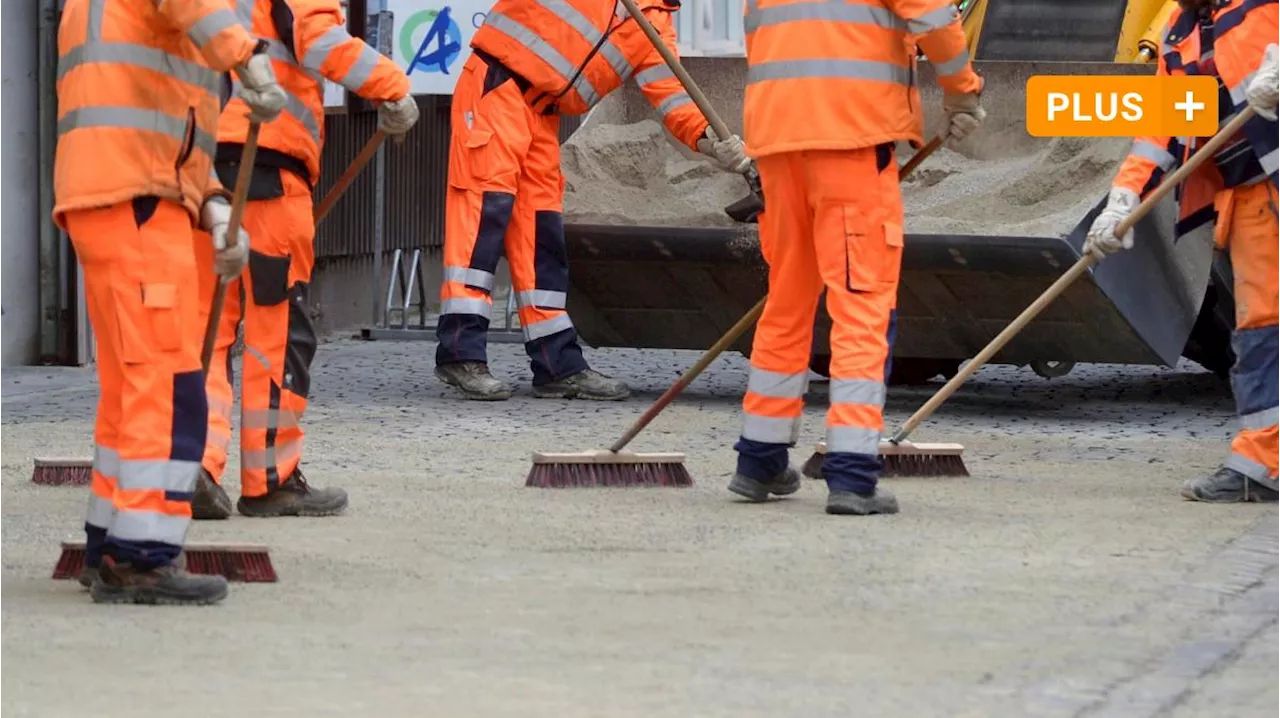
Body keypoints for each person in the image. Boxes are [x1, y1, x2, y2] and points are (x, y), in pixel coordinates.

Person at [54, 0, 286, 604]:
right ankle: (143, 557)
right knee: (169, 385)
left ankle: (108, 544)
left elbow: (163, 131)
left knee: (131, 387)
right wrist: (250, 58)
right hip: (137, 200)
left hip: (122, 195)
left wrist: (213, 213)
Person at [730, 0, 984, 515]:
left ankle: (758, 461)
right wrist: (962, 95)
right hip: (850, 141)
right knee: (862, 304)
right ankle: (851, 474)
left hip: (777, 145)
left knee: (787, 302)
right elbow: (936, 18)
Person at [434, 0, 751, 401]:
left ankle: (557, 365)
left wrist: (711, 139)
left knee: (542, 234)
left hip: (542, 113)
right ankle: (460, 352)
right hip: (498, 86)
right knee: (484, 216)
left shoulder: (654, 24)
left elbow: (672, 96)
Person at [194, 0, 420, 520]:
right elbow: (320, 41)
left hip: (200, 169)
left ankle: (194, 466)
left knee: (206, 328)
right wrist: (393, 85)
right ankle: (271, 479)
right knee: (275, 332)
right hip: (269, 171)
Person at [1083, 0, 1280, 503]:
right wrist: (1122, 200)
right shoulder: (1181, 31)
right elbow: (1160, 127)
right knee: (1262, 332)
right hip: (1252, 196)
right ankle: (1263, 464)